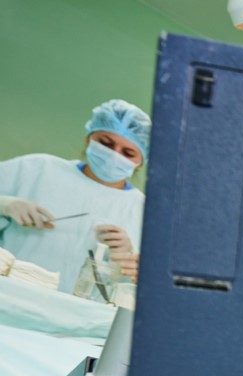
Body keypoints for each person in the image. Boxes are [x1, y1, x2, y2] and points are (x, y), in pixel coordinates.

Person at [0, 98, 150, 293]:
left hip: (82, 319)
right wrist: (5, 204)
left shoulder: (145, 212)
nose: (114, 155)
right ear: (88, 138)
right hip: (9, 301)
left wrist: (131, 259)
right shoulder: (36, 169)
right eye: (105, 143)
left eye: (128, 153)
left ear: (140, 161)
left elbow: (152, 289)